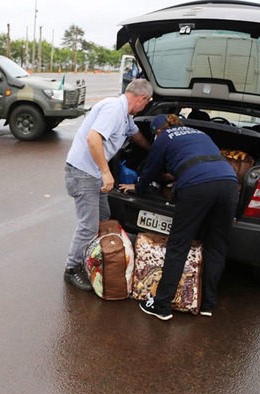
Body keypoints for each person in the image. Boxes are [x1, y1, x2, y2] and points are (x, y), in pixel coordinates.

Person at [118, 114, 239, 320]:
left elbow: (150, 170)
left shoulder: (163, 139)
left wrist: (137, 187)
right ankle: (207, 304)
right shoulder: (201, 133)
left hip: (196, 187)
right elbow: (199, 160)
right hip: (229, 183)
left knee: (178, 245)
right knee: (217, 246)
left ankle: (162, 305)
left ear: (157, 131)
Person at [64, 78, 152, 290]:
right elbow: (93, 139)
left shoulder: (125, 116)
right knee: (89, 225)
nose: (145, 106)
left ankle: (94, 257)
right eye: (147, 103)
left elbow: (137, 136)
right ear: (141, 99)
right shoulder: (113, 109)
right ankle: (72, 268)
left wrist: (156, 150)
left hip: (93, 174)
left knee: (104, 218)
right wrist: (106, 172)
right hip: (83, 173)